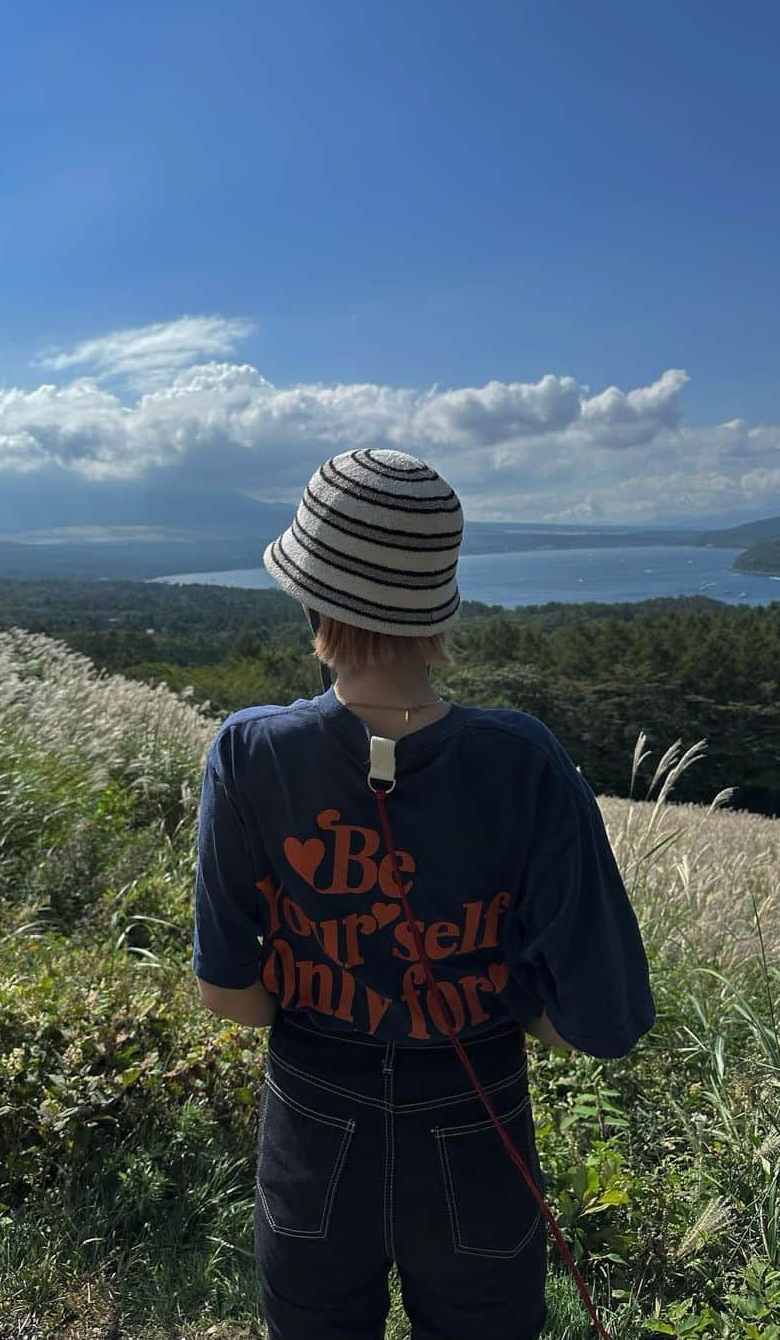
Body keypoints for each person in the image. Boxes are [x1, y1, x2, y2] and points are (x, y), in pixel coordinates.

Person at [192, 448, 656, 1340]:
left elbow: (232, 997)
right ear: (437, 612)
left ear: (313, 598)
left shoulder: (248, 754)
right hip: (477, 1128)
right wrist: (506, 1005)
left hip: (311, 1126)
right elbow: (605, 1017)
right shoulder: (523, 762)